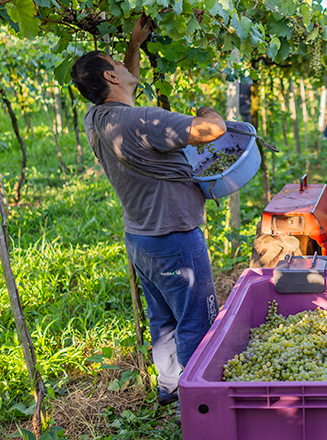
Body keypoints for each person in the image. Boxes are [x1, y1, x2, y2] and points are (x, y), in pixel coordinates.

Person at [71, 16, 226, 408]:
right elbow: (212, 132)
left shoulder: (99, 120)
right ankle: (200, 406)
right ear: (110, 75)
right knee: (197, 321)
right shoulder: (141, 120)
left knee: (164, 322)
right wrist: (210, 112)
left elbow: (124, 96)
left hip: (141, 240)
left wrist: (134, 48)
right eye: (119, 65)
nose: (125, 68)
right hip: (175, 238)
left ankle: (170, 386)